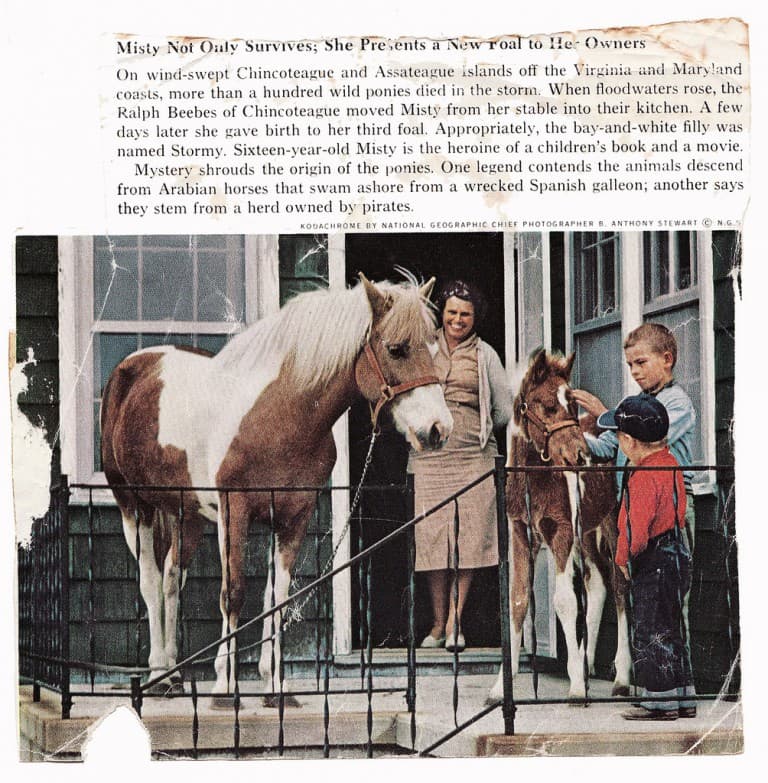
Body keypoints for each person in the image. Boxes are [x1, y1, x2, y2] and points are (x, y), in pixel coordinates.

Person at [409, 279, 512, 652]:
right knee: (433, 538)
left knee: (467, 539)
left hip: (472, 455)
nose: (458, 319)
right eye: (452, 312)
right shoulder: (425, 347)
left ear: (475, 318)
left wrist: (474, 428)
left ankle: (456, 621)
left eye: (465, 314)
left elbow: (503, 409)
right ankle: (437, 624)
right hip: (430, 455)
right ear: (442, 312)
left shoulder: (485, 354)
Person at [596, 394, 695, 720]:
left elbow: (636, 526)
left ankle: (658, 702)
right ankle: (683, 697)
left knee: (650, 631)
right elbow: (679, 512)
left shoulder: (641, 476)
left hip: (652, 560)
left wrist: (623, 558)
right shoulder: (671, 464)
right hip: (677, 551)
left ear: (627, 441)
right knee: (672, 628)